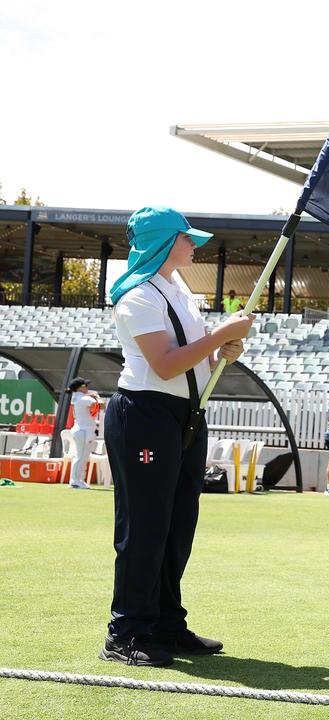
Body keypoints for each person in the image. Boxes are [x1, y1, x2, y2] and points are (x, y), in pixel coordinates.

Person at [101, 206, 253, 666]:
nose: (194, 245)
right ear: (164, 242)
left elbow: (194, 359)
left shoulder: (178, 289)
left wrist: (224, 346)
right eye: (187, 238)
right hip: (145, 415)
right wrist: (219, 334)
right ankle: (126, 631)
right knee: (145, 527)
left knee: (178, 524)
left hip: (183, 414)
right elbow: (165, 364)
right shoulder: (138, 296)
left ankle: (167, 624)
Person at [65, 377, 100, 490]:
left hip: (82, 430)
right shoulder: (83, 398)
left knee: (82, 457)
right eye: (85, 386)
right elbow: (100, 404)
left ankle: (78, 480)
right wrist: (96, 396)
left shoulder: (78, 397)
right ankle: (75, 481)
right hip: (84, 431)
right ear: (80, 388)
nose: (87, 388)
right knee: (81, 457)